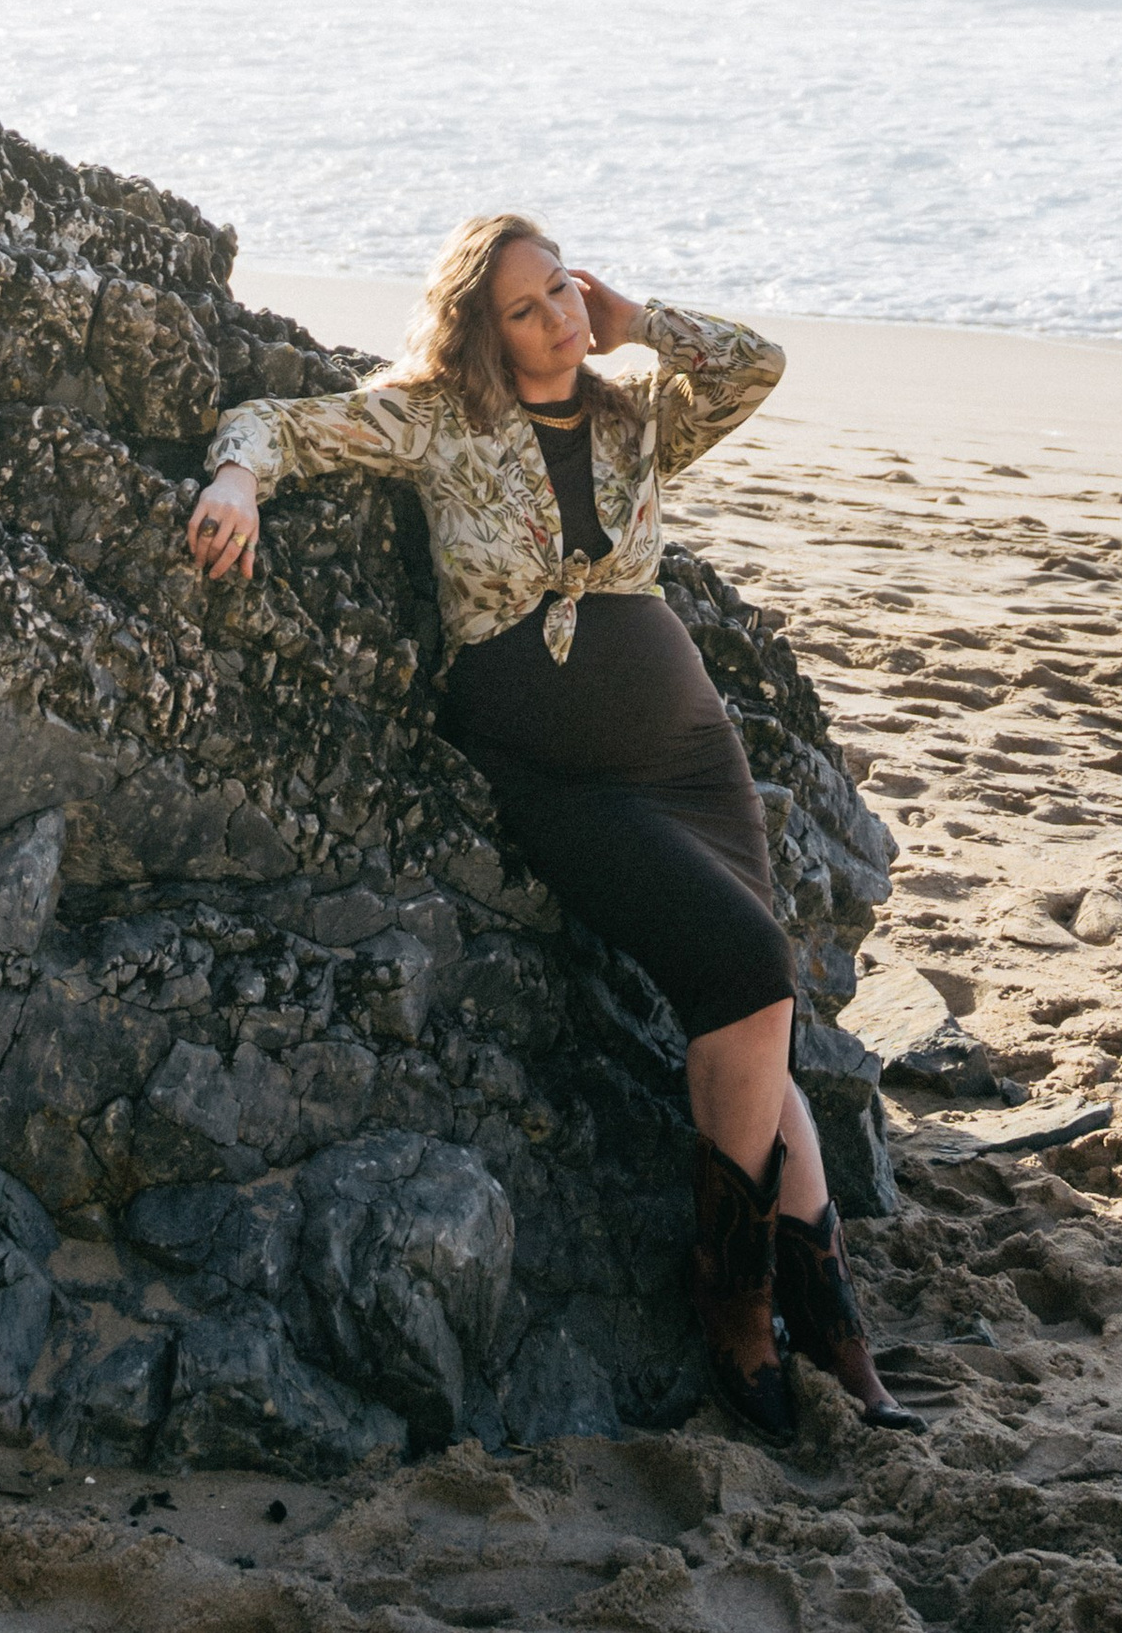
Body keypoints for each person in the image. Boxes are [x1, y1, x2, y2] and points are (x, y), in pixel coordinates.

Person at [185, 210, 916, 1439]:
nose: (559, 319)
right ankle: (737, 1310)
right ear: (482, 326)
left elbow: (753, 366)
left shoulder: (635, 415)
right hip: (561, 770)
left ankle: (834, 1330)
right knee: (745, 972)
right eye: (528, 307)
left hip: (690, 755)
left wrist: (642, 324)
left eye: (564, 291)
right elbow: (284, 423)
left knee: (758, 1020)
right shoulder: (435, 419)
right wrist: (236, 477)